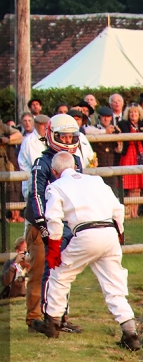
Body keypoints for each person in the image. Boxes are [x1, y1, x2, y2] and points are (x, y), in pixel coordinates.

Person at [40, 152, 139, 348]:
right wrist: (119, 233)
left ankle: (52, 322)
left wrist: (53, 248)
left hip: (85, 233)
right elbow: (118, 209)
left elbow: (53, 218)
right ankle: (130, 332)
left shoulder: (56, 186)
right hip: (109, 232)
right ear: (75, 166)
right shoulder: (97, 181)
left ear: (54, 171)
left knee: (60, 274)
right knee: (114, 285)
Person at [25, 114, 85, 334]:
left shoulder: (76, 162)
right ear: (52, 135)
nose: (68, 142)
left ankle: (59, 317)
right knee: (40, 268)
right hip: (41, 224)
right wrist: (42, 224)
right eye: (64, 137)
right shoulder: (42, 162)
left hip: (65, 225)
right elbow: (36, 194)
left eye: (72, 137)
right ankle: (34, 319)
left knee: (62, 270)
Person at [119, 106, 143, 217]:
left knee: (138, 186)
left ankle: (135, 212)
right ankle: (128, 212)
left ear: (140, 114)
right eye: (131, 112)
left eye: (135, 112)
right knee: (130, 185)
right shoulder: (124, 124)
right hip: (129, 154)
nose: (133, 114)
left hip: (141, 154)